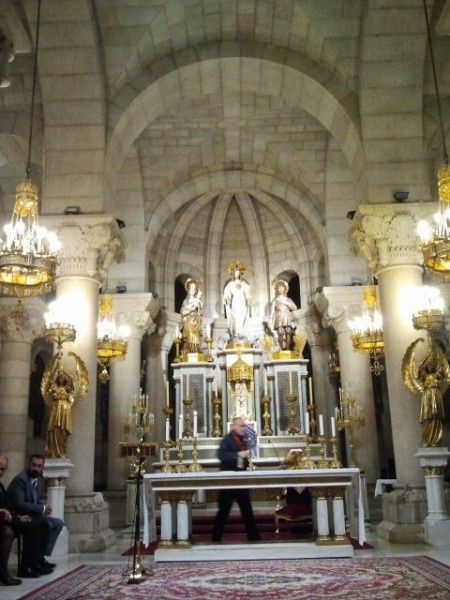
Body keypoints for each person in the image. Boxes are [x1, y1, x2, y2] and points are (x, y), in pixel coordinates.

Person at [7, 454, 63, 576]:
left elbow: (35, 502)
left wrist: (44, 509)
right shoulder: (20, 480)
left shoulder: (36, 480)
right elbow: (19, 504)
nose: (36, 468)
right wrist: (41, 508)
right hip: (18, 516)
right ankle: (27, 565)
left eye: (39, 466)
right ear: (29, 465)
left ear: (42, 468)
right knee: (44, 525)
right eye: (34, 465)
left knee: (58, 523)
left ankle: (39, 558)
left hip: (32, 515)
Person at [0, 455, 48, 584]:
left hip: (7, 518)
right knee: (27, 527)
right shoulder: (20, 480)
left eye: (3, 469)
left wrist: (17, 516)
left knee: (41, 523)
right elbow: (18, 504)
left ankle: (35, 562)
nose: (1, 472)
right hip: (4, 521)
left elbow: (6, 506)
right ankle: (11, 571)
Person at [211, 417, 260, 543]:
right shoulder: (227, 440)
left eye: (244, 426)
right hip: (228, 482)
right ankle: (215, 539)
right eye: (241, 426)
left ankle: (254, 539)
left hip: (240, 481)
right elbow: (221, 456)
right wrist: (238, 455)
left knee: (247, 512)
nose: (244, 428)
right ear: (234, 426)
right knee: (223, 512)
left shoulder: (243, 440)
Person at [223, 262, 251, 339]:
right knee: (235, 317)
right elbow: (227, 294)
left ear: (240, 274)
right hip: (235, 302)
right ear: (233, 274)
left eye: (238, 273)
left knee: (242, 317)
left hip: (242, 302)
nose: (236, 274)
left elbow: (248, 293)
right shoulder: (230, 284)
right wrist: (227, 299)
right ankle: (235, 334)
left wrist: (248, 299)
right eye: (235, 273)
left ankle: (241, 334)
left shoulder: (244, 283)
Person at [270, 280, 297, 351]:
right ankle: (282, 348)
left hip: (287, 317)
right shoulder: (275, 300)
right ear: (277, 290)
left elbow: (294, 307)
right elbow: (272, 312)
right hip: (279, 318)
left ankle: (288, 348)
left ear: (285, 289)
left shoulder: (288, 299)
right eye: (279, 288)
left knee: (288, 331)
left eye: (282, 288)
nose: (280, 289)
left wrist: (286, 303)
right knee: (280, 332)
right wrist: (271, 320)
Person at [180, 278, 203, 354]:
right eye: (191, 289)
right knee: (189, 336)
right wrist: (191, 309)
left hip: (196, 322)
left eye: (194, 289)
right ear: (188, 289)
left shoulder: (198, 300)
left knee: (196, 336)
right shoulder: (185, 301)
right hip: (188, 321)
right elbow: (182, 312)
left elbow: (200, 311)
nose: (192, 290)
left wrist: (198, 303)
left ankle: (195, 349)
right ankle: (189, 349)